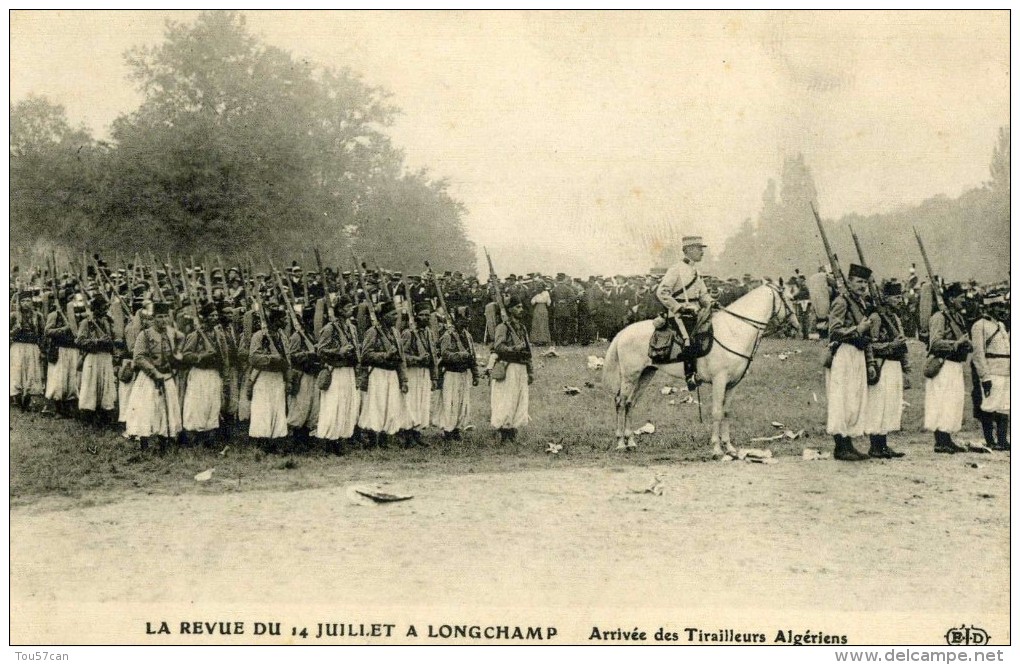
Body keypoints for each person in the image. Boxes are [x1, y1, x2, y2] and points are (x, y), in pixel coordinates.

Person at [825, 264, 875, 461]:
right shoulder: (841, 302)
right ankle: (840, 446)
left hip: (858, 353)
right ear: (849, 282)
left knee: (854, 400)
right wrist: (857, 329)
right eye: (859, 281)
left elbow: (867, 335)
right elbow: (834, 331)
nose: (863, 286)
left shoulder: (861, 303)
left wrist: (870, 362)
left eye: (865, 282)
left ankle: (849, 445)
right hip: (844, 352)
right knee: (842, 400)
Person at [654, 235, 714, 390]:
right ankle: (690, 375)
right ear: (688, 250)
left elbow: (703, 294)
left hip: (696, 313)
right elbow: (662, 292)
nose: (702, 252)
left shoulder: (696, 271)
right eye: (699, 249)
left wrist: (711, 303)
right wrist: (678, 307)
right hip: (680, 314)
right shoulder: (676, 269)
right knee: (689, 337)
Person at [126, 301, 184, 452]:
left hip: (166, 376)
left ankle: (163, 443)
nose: (163, 320)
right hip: (148, 378)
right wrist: (154, 372)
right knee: (146, 410)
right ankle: (144, 445)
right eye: (159, 316)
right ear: (153, 318)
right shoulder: (144, 334)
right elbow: (138, 357)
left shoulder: (170, 334)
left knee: (165, 409)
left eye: (165, 316)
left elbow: (176, 349)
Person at [924, 282, 971, 454]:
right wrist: (956, 343)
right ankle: (940, 441)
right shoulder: (939, 317)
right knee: (942, 401)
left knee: (953, 402)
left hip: (955, 365)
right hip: (943, 364)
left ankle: (947, 439)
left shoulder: (957, 317)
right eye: (961, 298)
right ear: (951, 299)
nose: (963, 301)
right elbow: (935, 343)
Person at [862, 281, 908, 458]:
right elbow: (871, 345)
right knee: (878, 404)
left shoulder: (894, 318)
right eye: (896, 297)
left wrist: (905, 366)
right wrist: (891, 345)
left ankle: (884, 445)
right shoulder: (876, 317)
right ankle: (875, 446)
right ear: (886, 298)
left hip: (894, 364)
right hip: (882, 365)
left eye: (900, 296)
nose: (900, 300)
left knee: (890, 405)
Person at [357, 301, 410, 447]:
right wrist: (385, 355)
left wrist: (404, 380)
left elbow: (401, 359)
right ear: (383, 316)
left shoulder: (395, 333)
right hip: (377, 374)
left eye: (396, 314)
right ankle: (373, 438)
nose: (395, 317)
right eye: (392, 314)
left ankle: (385, 438)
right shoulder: (372, 332)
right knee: (377, 406)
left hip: (392, 374)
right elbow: (365, 355)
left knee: (391, 406)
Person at [315, 296, 361, 454]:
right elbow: (320, 350)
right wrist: (338, 351)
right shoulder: (330, 328)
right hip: (336, 371)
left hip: (348, 371)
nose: (352, 309)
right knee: (333, 406)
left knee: (346, 405)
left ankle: (340, 439)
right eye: (348, 307)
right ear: (340, 310)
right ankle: (329, 441)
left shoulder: (352, 328)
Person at [181, 303, 226, 447]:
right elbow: (186, 355)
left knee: (213, 404)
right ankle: (193, 438)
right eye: (211, 316)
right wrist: (201, 357)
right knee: (197, 406)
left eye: (215, 315)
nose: (214, 318)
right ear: (204, 318)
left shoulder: (219, 334)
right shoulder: (195, 335)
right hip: (199, 374)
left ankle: (209, 439)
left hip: (214, 374)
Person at [969, 291, 1009, 450]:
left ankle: (1002, 440)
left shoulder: (1001, 325)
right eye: (997, 306)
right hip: (991, 371)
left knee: (1004, 406)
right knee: (989, 405)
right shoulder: (980, 325)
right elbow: (978, 353)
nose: (1002, 310)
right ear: (989, 308)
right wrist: (985, 376)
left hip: (1006, 371)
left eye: (1002, 306)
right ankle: (990, 440)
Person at [490, 298, 533, 442]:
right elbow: (498, 346)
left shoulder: (522, 327)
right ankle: (504, 431)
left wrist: (530, 370)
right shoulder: (503, 327)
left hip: (521, 367)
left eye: (522, 307)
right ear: (510, 310)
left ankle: (513, 430)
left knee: (519, 399)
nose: (521, 309)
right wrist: (514, 349)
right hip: (509, 367)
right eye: (518, 307)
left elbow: (528, 350)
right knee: (507, 399)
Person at [248, 307, 291, 451]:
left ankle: (276, 440)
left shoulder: (282, 336)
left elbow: (287, 359)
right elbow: (253, 357)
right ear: (275, 320)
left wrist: (288, 378)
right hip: (263, 377)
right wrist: (271, 359)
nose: (285, 321)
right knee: (263, 409)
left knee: (277, 408)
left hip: (278, 377)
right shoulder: (259, 336)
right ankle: (262, 442)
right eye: (282, 318)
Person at [75, 298, 119, 427]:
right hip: (92, 357)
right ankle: (88, 416)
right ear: (95, 309)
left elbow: (116, 338)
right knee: (90, 385)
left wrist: (112, 342)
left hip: (106, 357)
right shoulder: (86, 323)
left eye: (105, 308)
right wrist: (97, 341)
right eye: (101, 308)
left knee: (106, 386)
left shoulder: (108, 321)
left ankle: (105, 416)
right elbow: (79, 341)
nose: (104, 311)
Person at [437, 308, 479, 440]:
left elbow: (472, 357)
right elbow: (444, 354)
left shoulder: (468, 336)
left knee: (462, 403)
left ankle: (456, 429)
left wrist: (475, 374)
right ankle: (448, 430)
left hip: (463, 374)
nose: (466, 321)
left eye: (468, 318)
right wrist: (459, 355)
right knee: (450, 402)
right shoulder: (447, 336)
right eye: (463, 318)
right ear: (456, 320)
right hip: (451, 374)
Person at [10, 291, 45, 411]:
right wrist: (14, 331)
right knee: (17, 373)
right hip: (17, 346)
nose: (26, 303)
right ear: (19, 303)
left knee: (31, 374)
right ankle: (19, 402)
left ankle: (27, 402)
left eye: (28, 301)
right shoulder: (14, 316)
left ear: (32, 302)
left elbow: (42, 333)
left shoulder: (38, 316)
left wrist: (41, 348)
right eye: (23, 301)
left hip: (32, 347)